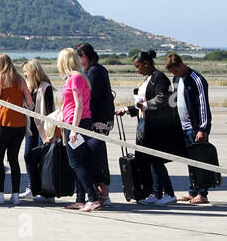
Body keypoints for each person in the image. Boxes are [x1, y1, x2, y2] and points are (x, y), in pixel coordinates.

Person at [124, 50, 183, 205]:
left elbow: (162, 98)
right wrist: (128, 109)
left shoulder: (159, 77)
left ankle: (169, 193)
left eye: (138, 66)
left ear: (146, 63)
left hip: (157, 126)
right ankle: (156, 194)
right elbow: (143, 101)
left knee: (156, 160)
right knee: (150, 160)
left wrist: (144, 105)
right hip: (146, 123)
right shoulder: (149, 78)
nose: (137, 70)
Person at [0, 54, 31, 204]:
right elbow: (29, 101)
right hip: (20, 124)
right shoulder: (20, 79)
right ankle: (15, 195)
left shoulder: (0, 77)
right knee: (14, 159)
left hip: (4, 122)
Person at [57, 48, 103, 212]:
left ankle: (92, 198)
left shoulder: (75, 78)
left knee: (75, 162)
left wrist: (74, 130)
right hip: (75, 122)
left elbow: (79, 105)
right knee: (79, 162)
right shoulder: (76, 77)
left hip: (76, 124)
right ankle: (80, 198)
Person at [165, 52, 213, 204]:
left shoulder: (197, 80)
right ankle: (193, 191)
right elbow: (174, 99)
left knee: (200, 160)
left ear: (181, 65)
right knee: (190, 161)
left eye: (176, 71)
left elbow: (203, 104)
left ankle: (202, 193)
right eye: (173, 73)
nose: (175, 74)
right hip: (182, 127)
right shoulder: (176, 79)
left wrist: (203, 128)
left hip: (195, 128)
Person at [75, 42, 115, 205]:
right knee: (95, 154)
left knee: (95, 155)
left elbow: (89, 99)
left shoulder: (93, 72)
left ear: (84, 56)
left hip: (96, 120)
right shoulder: (99, 69)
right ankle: (101, 192)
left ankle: (103, 193)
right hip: (102, 119)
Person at [22, 59, 56, 201]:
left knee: (43, 160)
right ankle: (33, 187)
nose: (24, 75)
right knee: (28, 156)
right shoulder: (30, 87)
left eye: (26, 72)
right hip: (31, 128)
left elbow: (49, 112)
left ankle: (46, 192)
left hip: (42, 129)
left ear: (33, 72)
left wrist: (49, 134)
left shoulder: (45, 87)